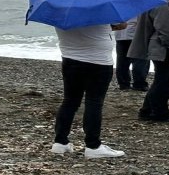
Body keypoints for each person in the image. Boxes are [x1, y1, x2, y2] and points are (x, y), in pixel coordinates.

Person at [51, 22, 127, 159]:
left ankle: (60, 141)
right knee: (94, 102)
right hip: (98, 61)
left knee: (70, 101)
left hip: (70, 59)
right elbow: (121, 25)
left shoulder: (63, 10)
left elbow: (85, 30)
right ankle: (93, 145)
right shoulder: (100, 10)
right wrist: (116, 25)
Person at [114, 16, 147, 91]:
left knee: (122, 61)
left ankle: (123, 83)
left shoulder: (119, 5)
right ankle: (139, 84)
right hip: (135, 35)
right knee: (139, 60)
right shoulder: (139, 6)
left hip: (120, 35)